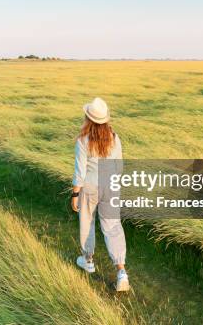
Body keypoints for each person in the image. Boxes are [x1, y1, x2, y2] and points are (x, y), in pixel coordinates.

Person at [71, 97, 129, 292]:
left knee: (87, 222)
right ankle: (121, 272)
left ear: (88, 119)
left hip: (90, 186)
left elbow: (80, 172)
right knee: (113, 226)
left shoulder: (82, 141)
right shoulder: (114, 137)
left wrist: (74, 194)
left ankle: (87, 260)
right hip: (111, 185)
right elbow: (119, 166)